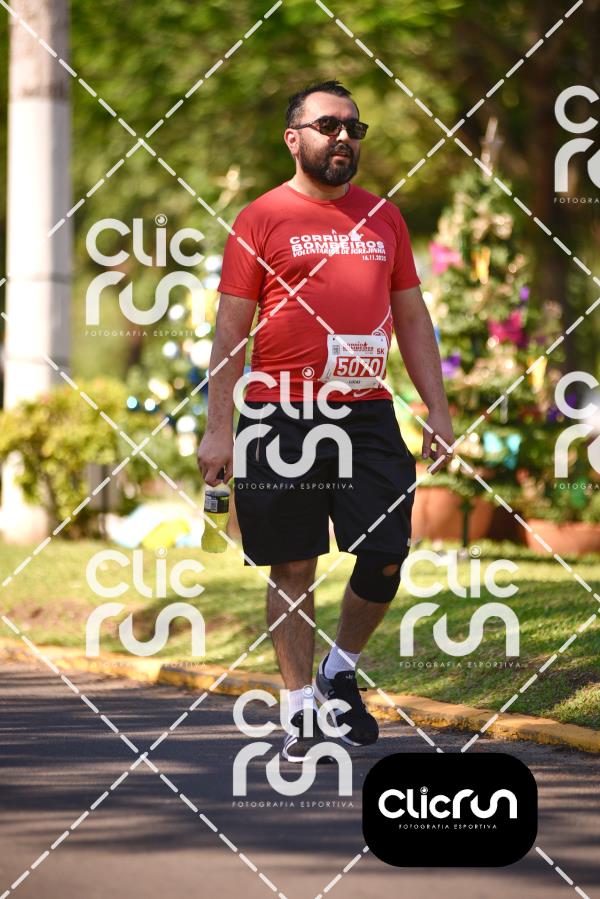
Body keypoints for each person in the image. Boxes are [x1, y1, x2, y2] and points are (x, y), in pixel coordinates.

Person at [197, 80, 454, 761]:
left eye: (353, 128)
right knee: (293, 564)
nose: (343, 136)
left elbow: (411, 317)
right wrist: (219, 428)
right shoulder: (260, 218)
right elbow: (230, 332)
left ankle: (340, 670)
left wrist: (438, 406)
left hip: (365, 410)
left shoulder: (385, 218)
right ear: (294, 138)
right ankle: (299, 708)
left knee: (387, 547)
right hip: (279, 413)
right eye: (328, 125)